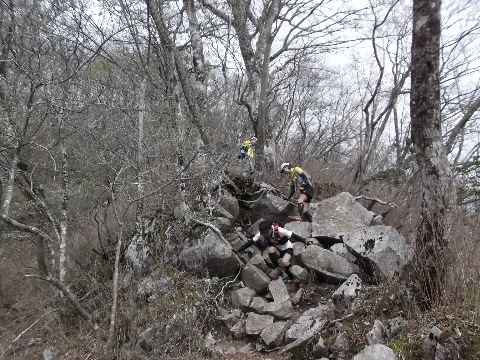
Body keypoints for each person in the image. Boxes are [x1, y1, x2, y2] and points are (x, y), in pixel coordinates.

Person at [233, 219, 314, 290]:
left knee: (285, 262)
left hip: (287, 249)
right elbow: (250, 242)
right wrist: (238, 250)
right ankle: (278, 268)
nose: (265, 235)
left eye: (266, 233)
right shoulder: (262, 233)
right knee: (270, 250)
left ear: (270, 229)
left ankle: (291, 279)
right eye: (263, 234)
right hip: (277, 250)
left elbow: (293, 235)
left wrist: (305, 241)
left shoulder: (279, 230)